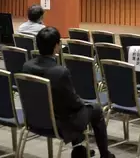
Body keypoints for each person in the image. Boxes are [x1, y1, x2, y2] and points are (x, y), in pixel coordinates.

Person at [23, 27, 114, 158]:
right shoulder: (60, 72)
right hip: (57, 124)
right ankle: (105, 155)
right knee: (95, 109)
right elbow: (74, 103)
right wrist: (83, 103)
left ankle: (79, 149)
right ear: (56, 46)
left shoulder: (27, 66)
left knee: (71, 109)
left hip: (34, 119)